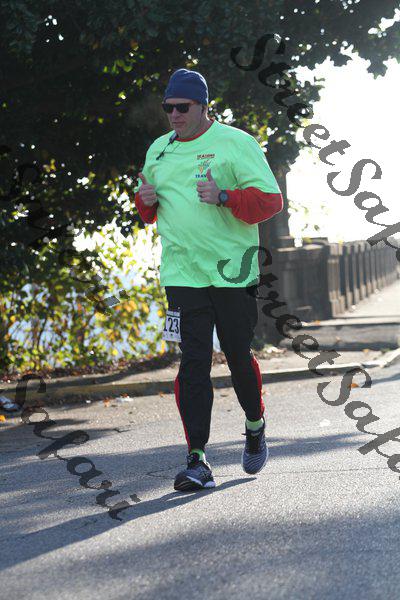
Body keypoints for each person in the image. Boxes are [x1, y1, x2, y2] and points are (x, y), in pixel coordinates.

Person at [134, 68, 283, 492]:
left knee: (237, 354)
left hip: (232, 271)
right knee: (193, 362)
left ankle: (254, 424)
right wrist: (144, 202)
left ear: (203, 107)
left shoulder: (236, 143)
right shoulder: (159, 150)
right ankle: (197, 459)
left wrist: (224, 196)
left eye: (182, 107)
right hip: (182, 274)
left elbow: (271, 201)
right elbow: (150, 211)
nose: (174, 115)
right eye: (168, 108)